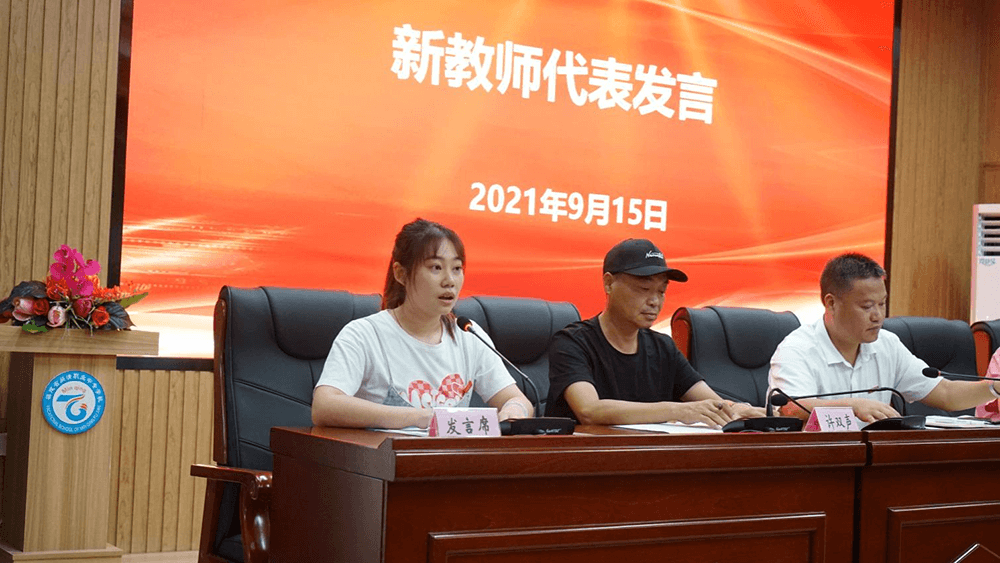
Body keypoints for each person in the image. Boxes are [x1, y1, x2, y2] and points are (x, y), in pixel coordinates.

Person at [311, 218, 534, 429]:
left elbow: (516, 399)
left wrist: (513, 413)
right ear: (401, 274)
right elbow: (325, 405)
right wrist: (421, 417)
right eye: (436, 268)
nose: (449, 281)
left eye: (457, 269)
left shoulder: (468, 335)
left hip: (453, 456)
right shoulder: (363, 335)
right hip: (384, 455)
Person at [546, 238, 764, 427]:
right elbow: (589, 411)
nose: (654, 301)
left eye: (661, 291)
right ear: (609, 283)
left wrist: (737, 409)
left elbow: (710, 401)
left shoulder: (663, 347)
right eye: (644, 289)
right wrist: (679, 410)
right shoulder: (572, 342)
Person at [769, 253, 1000, 422]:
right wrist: (852, 406)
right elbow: (791, 408)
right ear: (831, 303)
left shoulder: (887, 344)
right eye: (867, 306)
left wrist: (995, 387)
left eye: (882, 304)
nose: (878, 316)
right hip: (817, 461)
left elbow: (946, 394)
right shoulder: (797, 349)